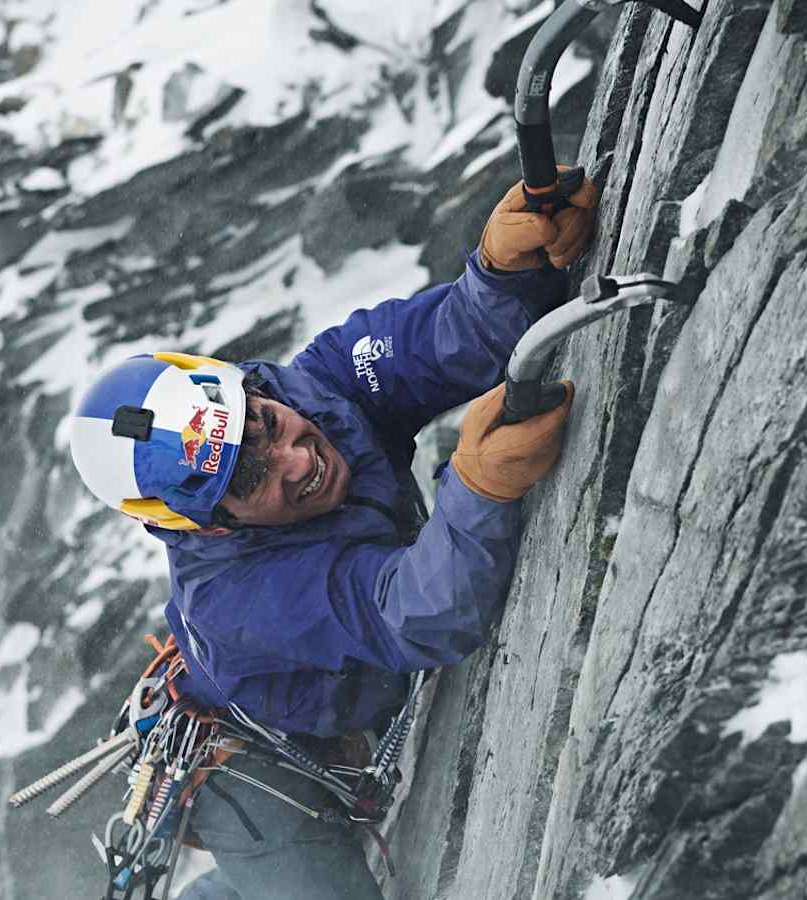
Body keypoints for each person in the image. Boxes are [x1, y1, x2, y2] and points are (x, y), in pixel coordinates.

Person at [66, 170, 599, 899]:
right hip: (248, 775)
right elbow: (424, 613)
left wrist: (505, 270)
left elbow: (447, 341)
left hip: (333, 706)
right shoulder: (239, 597)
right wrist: (477, 487)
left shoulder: (316, 382)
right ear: (214, 525)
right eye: (250, 480)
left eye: (267, 425)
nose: (299, 459)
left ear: (253, 392)